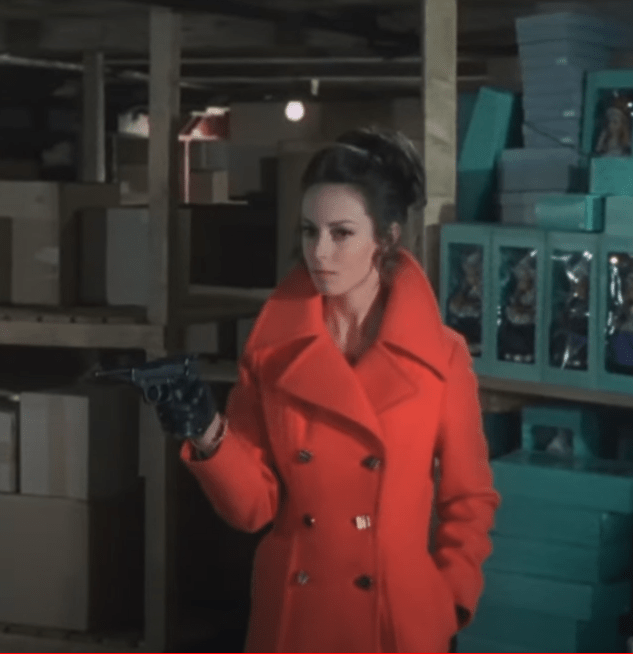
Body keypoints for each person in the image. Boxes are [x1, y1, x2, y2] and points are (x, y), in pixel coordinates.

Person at [155, 127, 500, 653]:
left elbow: (468, 499)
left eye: (341, 233)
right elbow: (252, 509)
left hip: (396, 621)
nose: (319, 252)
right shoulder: (272, 351)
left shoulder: (442, 356)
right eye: (309, 231)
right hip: (296, 618)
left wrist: (449, 600)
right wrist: (206, 432)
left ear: (386, 238)